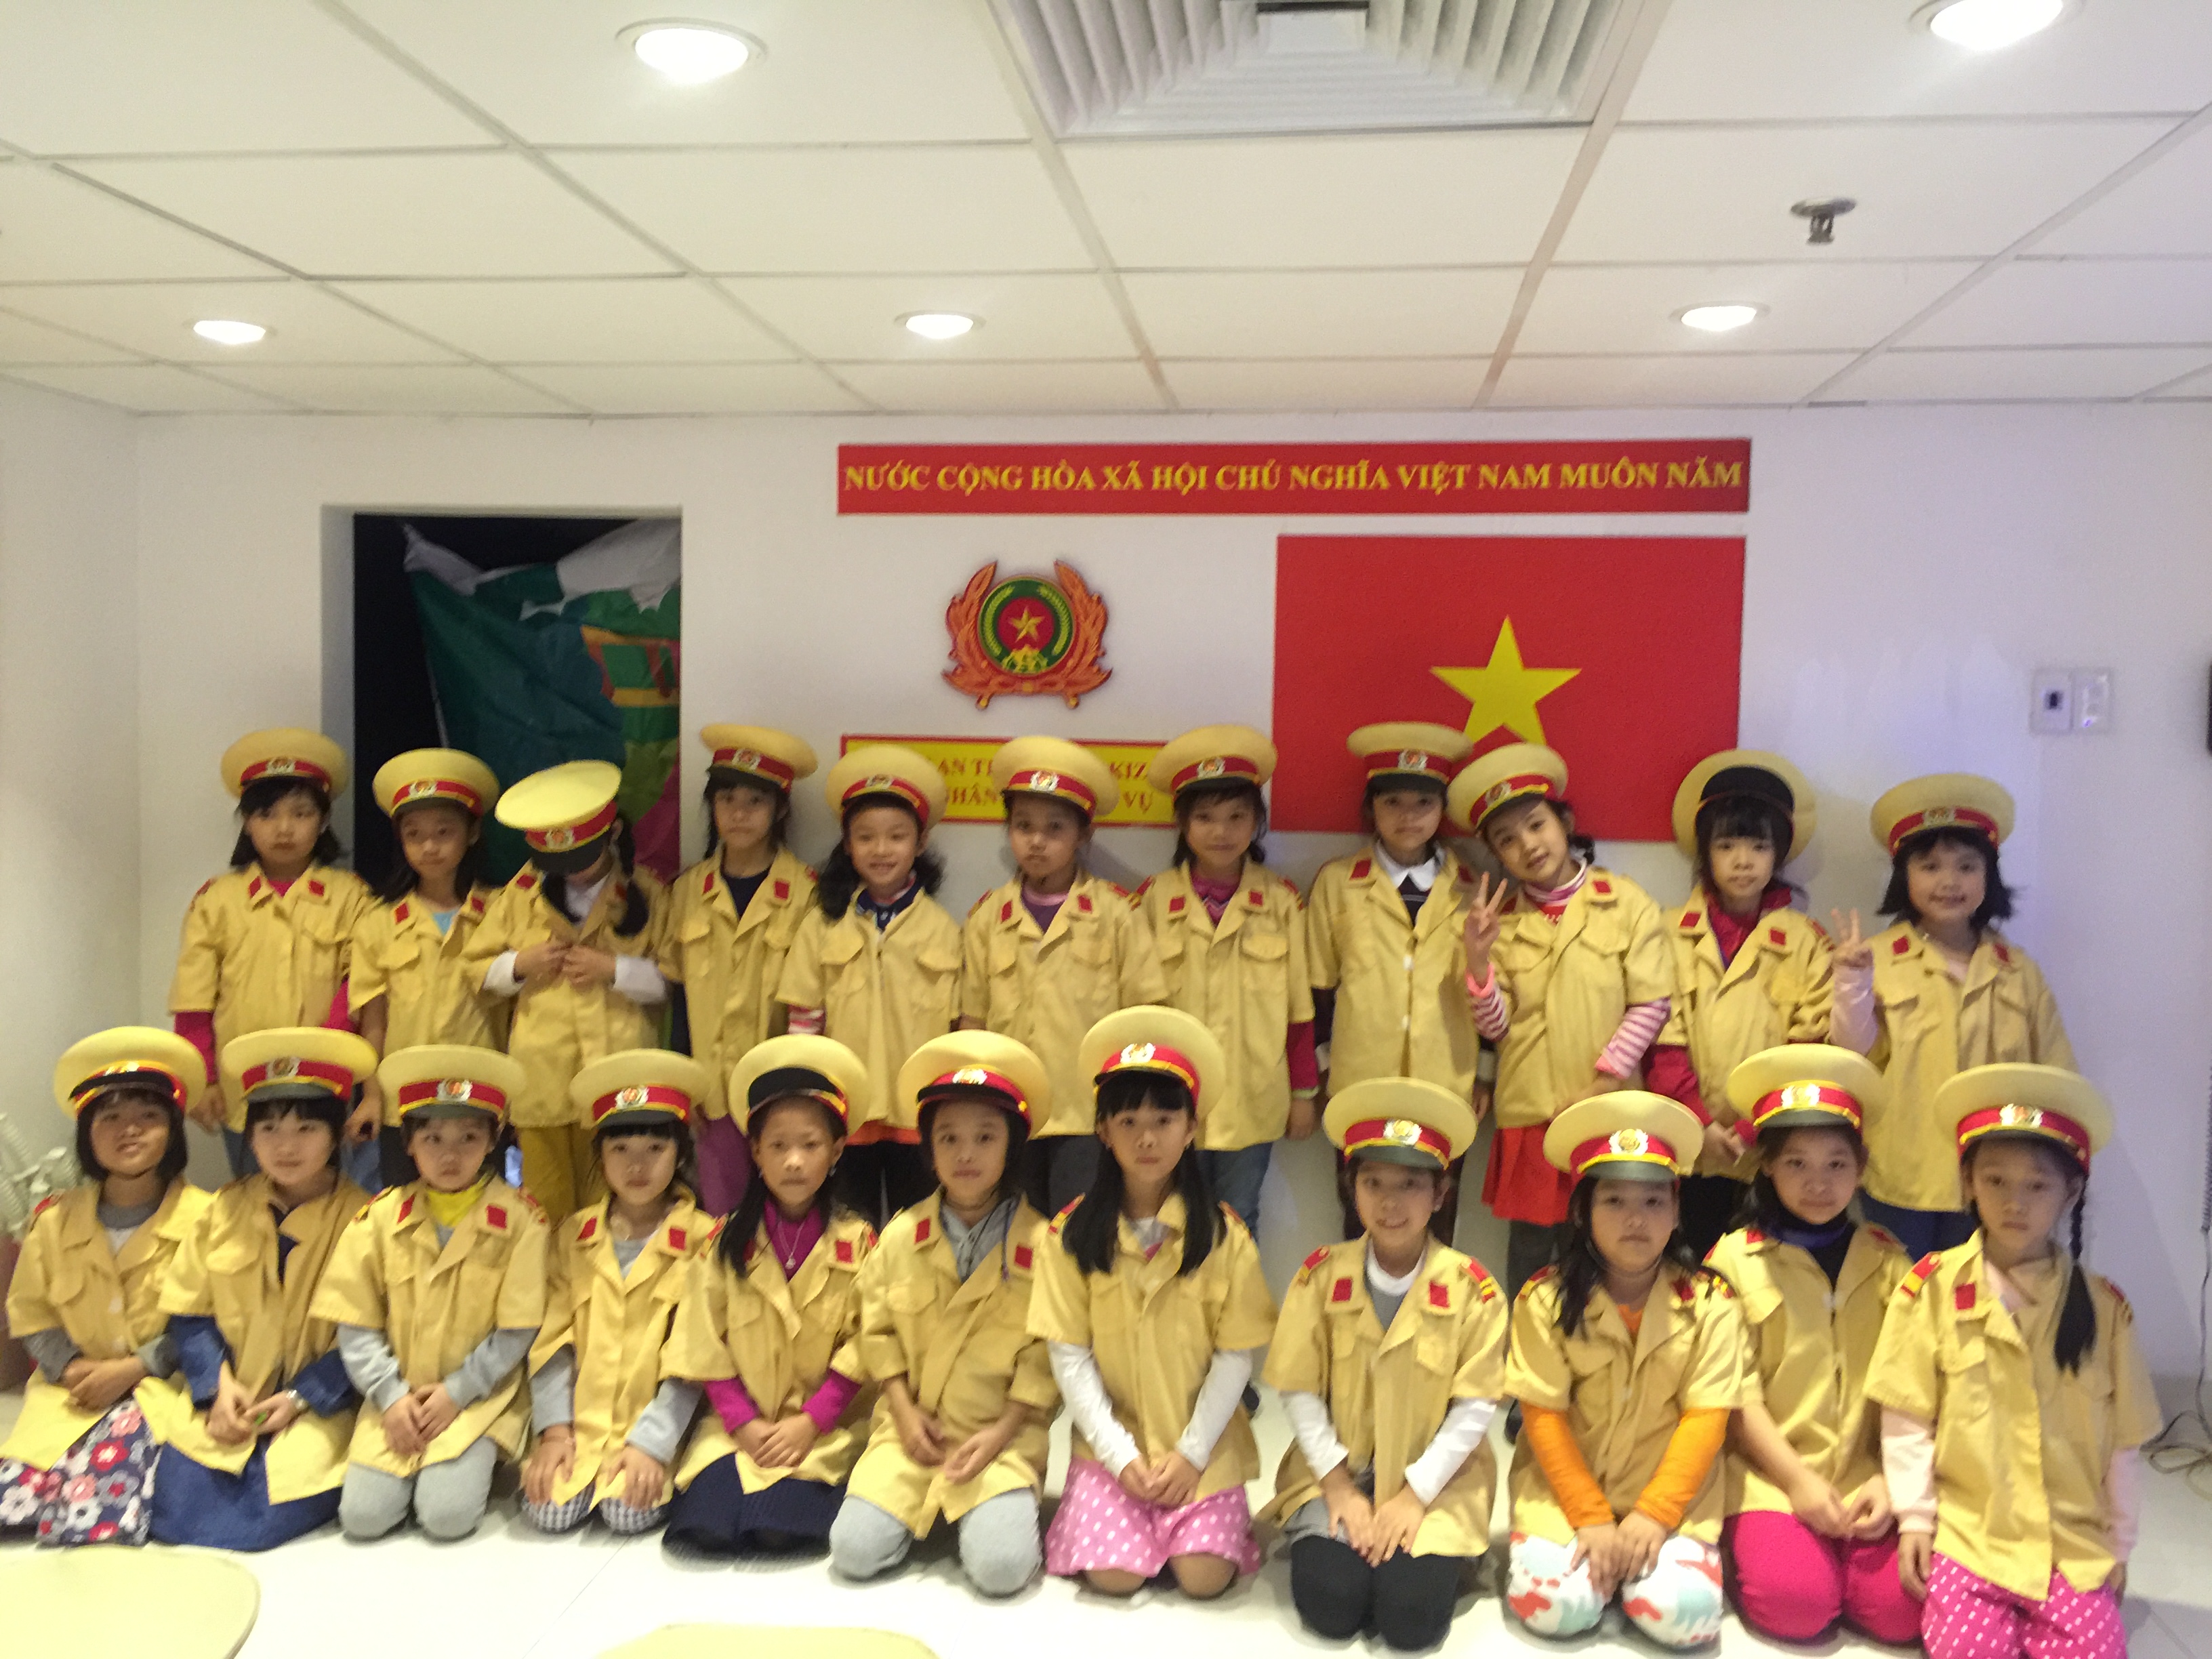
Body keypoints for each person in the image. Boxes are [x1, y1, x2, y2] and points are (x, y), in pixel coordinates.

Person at [1867, 1063, 2156, 1659]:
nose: (2014, 1202)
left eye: (2037, 1186)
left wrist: (2119, 1547)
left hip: (2068, 1545)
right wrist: (1916, 1518)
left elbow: (2123, 1446)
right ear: (1968, 1182)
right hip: (1972, 1538)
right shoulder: (1929, 1290)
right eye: (1995, 1180)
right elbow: (1907, 1419)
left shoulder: (2106, 1311)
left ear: (2070, 1193)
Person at [1027, 1007, 1279, 1601]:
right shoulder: (1068, 1236)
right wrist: (1118, 1456)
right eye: (1129, 1121)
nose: (1147, 1138)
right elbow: (1070, 1357)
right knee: (1114, 1579)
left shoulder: (1224, 1237)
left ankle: (1177, 1531)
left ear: (1192, 1128)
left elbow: (1235, 1357)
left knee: (1204, 1577)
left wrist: (1192, 1454)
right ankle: (1135, 1530)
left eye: (1165, 1120)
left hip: (1202, 1444)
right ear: (1103, 1131)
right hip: (1115, 1444)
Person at [1261, 1076, 1503, 1651]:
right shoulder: (1320, 1277)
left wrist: (1415, 1496)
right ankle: (1349, 1536)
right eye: (1374, 1183)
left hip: (1436, 1483)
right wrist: (1340, 1490)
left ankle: (1425, 1550)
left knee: (1411, 1619)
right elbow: (1299, 1390)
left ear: (1440, 1194)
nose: (1391, 1203)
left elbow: (1474, 1409)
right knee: (1333, 1605)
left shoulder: (1474, 1291)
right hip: (1334, 1474)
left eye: (1410, 1185)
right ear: (1352, 1189)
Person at [1503, 1093, 1741, 1649]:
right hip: (1565, 1498)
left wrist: (1654, 1516)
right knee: (1556, 1610)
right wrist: (1590, 1516)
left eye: (1654, 1201)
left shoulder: (1712, 1303)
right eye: (1614, 1200)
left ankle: (1633, 1574)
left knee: (1684, 1618)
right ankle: (1607, 1572)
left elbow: (1706, 1420)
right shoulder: (1543, 1300)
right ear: (1582, 1211)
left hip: (1670, 1502)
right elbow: (1543, 1416)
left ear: (1677, 1212)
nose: (1636, 1219)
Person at [1704, 1044, 1919, 1645]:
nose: (1818, 1183)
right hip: (1769, 1478)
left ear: (1861, 1166)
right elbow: (1736, 1394)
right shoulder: (1735, 1259)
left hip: (1867, 1476)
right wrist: (1796, 1481)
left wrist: (1891, 1481)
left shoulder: (1890, 1261)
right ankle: (1767, 1550)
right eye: (1796, 1163)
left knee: (1902, 1613)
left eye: (1836, 1164)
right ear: (1767, 1166)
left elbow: (1915, 1387)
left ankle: (1839, 1557)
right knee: (1797, 1608)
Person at [830, 1031, 1058, 1597]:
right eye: (948, 1138)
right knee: (852, 1553)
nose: (966, 1154)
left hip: (1000, 1442)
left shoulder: (1045, 1245)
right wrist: (905, 1415)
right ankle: (923, 1510)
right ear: (928, 1150)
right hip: (910, 1436)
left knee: (1002, 1571)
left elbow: (1048, 1357)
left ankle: (980, 1517)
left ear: (1012, 1147)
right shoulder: (900, 1236)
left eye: (985, 1137)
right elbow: (875, 1333)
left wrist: (1002, 1431)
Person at [1449, 744, 1675, 1305]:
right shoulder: (1501, 922)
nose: (1528, 845)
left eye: (1536, 825)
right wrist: (1478, 960)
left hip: (1607, 1110)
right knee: (1529, 1254)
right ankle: (1525, 1353)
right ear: (1496, 854)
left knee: (1604, 1248)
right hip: (1531, 1115)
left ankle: (1599, 1349)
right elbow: (1498, 1027)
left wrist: (1605, 1080)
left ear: (1564, 824)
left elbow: (1651, 1003)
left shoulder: (1625, 902)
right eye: (1507, 839)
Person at [150, 1028, 376, 1549]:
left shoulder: (368, 1219)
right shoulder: (223, 1208)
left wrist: (300, 1397)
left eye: (306, 1128)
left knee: (265, 1514)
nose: (285, 1146)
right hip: (234, 1392)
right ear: (249, 1137)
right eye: (269, 1128)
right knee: (171, 1507)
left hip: (323, 1401)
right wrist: (216, 1387)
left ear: (336, 1134)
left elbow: (373, 1335)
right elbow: (190, 1312)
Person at [314, 1044, 550, 1542]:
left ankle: (473, 1461)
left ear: (493, 1141)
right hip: (395, 1395)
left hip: (478, 1396)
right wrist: (390, 1396)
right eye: (433, 1138)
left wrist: (456, 1393)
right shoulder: (378, 1219)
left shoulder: (522, 1222)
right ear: (409, 1143)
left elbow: (518, 1329)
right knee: (363, 1518)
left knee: (447, 1517)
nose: (450, 1155)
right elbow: (354, 1322)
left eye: (469, 1138)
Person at [1831, 775, 2074, 1259]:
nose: (1949, 882)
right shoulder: (1876, 959)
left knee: (1981, 1296)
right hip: (1902, 1177)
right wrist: (1852, 981)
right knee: (1901, 1295)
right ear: (1904, 877)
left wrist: (2057, 1169)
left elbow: (2056, 1075)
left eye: (1967, 866)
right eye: (1930, 866)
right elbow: (1852, 1055)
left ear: (1989, 876)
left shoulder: (2018, 972)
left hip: (1998, 1180)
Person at [662, 1035, 879, 1555]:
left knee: (779, 1531)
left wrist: (810, 1422)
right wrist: (743, 1423)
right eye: (778, 1146)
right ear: (756, 1152)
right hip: (740, 1425)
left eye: (810, 1145)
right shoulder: (722, 1242)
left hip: (823, 1427)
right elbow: (702, 1341)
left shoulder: (860, 1244)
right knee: (707, 1528)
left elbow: (868, 1343)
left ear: (837, 1151)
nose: (794, 1162)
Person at [0, 1029, 210, 1545]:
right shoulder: (54, 1221)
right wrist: (69, 1367)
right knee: (16, 1498)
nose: (129, 1130)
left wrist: (135, 1367)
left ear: (173, 1130)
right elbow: (31, 1311)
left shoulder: (210, 1218)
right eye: (109, 1117)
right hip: (71, 1389)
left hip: (160, 1387)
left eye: (148, 1116)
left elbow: (217, 1321)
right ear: (87, 1134)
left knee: (96, 1511)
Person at [962, 737, 1167, 1217]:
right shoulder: (987, 918)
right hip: (1009, 1112)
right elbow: (972, 1021)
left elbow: (1145, 1018)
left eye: (1055, 828)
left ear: (1083, 835)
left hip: (1088, 1115)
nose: (1037, 841)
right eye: (1023, 826)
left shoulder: (1117, 913)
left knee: (1082, 1231)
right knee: (1015, 1234)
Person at [1645, 750, 1834, 1258]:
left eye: (1759, 846)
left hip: (1772, 1144)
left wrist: (1754, 1127)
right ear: (1705, 852)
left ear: (1779, 854)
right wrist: (1700, 1124)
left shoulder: (1806, 941)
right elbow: (1662, 1040)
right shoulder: (1667, 933)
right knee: (1691, 1266)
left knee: (1766, 1267)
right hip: (1689, 1142)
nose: (1743, 860)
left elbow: (1809, 1048)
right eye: (1726, 845)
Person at [469, 759, 671, 1224]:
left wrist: (613, 969)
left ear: (612, 834)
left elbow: (671, 981)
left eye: (583, 860)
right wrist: (521, 965)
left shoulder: (647, 891)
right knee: (546, 1207)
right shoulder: (522, 893)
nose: (573, 873)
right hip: (543, 1079)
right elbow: (476, 971)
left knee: (618, 1207)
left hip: (620, 1078)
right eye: (559, 865)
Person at [520, 1050, 713, 1537]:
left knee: (627, 1514)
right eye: (621, 1149)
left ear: (680, 1154)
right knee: (549, 1512)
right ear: (600, 1155)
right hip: (581, 1428)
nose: (637, 1165)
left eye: (655, 1148)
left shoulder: (704, 1239)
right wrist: (555, 1432)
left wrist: (653, 1444)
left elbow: (694, 1356)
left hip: (657, 1429)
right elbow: (552, 1342)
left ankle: (651, 1456)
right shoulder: (573, 1235)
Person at [1136, 724, 1318, 1239]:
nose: (1222, 831)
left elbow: (1300, 1010)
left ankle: (1235, 1298)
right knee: (1169, 1218)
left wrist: (1303, 1092)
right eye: (1205, 817)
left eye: (1237, 816)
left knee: (1239, 1218)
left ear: (1258, 822)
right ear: (1182, 824)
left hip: (1253, 1096)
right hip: (1171, 1097)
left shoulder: (1281, 902)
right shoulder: (1152, 901)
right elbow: (1135, 1013)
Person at [1303, 722, 1481, 1242]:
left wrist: (1486, 1074)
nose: (1408, 816)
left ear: (1442, 809)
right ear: (1371, 808)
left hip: (1446, 1082)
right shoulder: (1338, 883)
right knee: (1361, 1212)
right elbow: (1318, 991)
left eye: (1424, 803)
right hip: (1360, 1083)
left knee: (1437, 1215)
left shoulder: (1472, 886)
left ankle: (1435, 1298)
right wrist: (1323, 1071)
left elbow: (1489, 984)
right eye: (1393, 803)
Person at [169, 728, 372, 1176]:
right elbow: (194, 999)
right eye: (267, 814)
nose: (284, 829)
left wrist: (328, 1059)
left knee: (327, 1200)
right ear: (247, 821)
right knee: (253, 1200)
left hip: (324, 1082)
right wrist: (201, 1078)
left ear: (323, 820)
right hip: (241, 1090)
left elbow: (358, 985)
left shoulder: (351, 897)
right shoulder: (217, 900)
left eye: (301, 813)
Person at [777, 745, 962, 1227]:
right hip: (844, 1111)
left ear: (920, 843)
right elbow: (804, 1022)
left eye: (897, 836)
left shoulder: (943, 929)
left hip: (919, 1112)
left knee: (919, 1229)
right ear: (847, 844)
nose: (881, 850)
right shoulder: (822, 924)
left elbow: (958, 1029)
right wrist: (809, 1099)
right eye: (866, 837)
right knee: (846, 1228)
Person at [660, 724, 819, 1215]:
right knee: (722, 1217)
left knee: (787, 1212)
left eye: (755, 801)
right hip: (711, 1093)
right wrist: (684, 1082)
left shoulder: (807, 893)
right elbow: (679, 997)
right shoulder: (688, 890)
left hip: (780, 1089)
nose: (739, 813)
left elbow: (813, 1002)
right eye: (726, 799)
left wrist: (801, 1088)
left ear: (780, 810)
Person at [347, 747, 504, 1193]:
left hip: (482, 1097)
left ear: (472, 832)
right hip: (405, 1103)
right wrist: (372, 1096)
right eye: (414, 834)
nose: (429, 847)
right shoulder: (378, 923)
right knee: (404, 1209)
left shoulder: (503, 912)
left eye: (443, 832)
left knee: (483, 1211)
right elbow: (374, 1021)